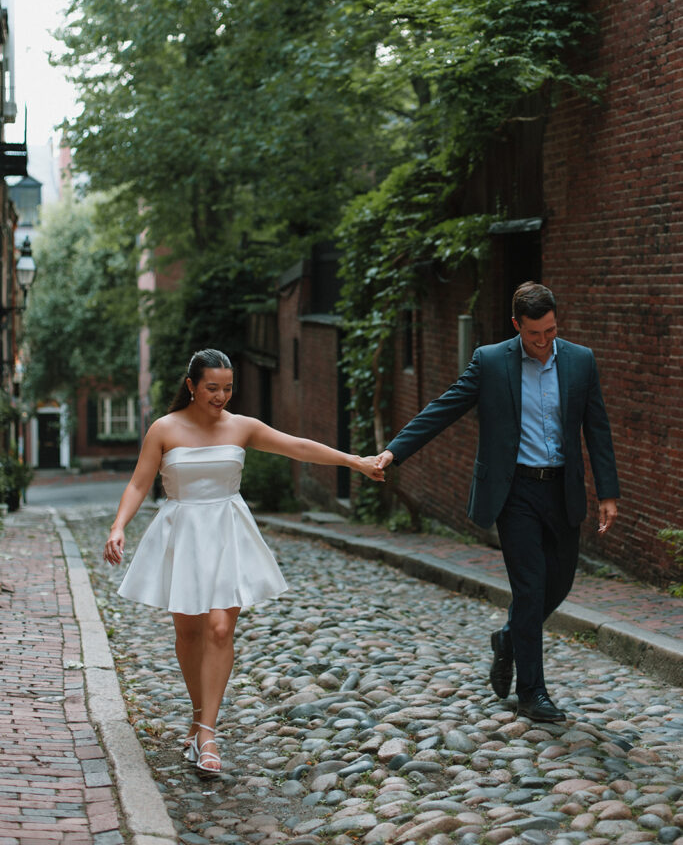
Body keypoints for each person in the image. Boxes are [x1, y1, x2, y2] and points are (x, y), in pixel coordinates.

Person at [104, 348, 384, 775]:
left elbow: (299, 447)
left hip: (228, 531)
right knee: (189, 631)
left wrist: (353, 461)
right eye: (212, 388)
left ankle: (208, 732)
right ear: (191, 386)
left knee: (220, 627)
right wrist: (118, 527)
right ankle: (199, 717)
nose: (221, 396)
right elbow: (139, 483)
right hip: (182, 532)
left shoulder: (242, 427)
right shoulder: (164, 429)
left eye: (228, 388)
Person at [375, 282, 619, 722]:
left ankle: (508, 639)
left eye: (550, 331)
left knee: (558, 584)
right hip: (515, 492)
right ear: (516, 326)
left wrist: (608, 492)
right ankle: (533, 692)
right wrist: (394, 451)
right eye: (533, 335)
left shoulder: (580, 361)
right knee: (529, 587)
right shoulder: (491, 362)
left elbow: (596, 428)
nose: (543, 343)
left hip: (562, 488)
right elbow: (444, 407)